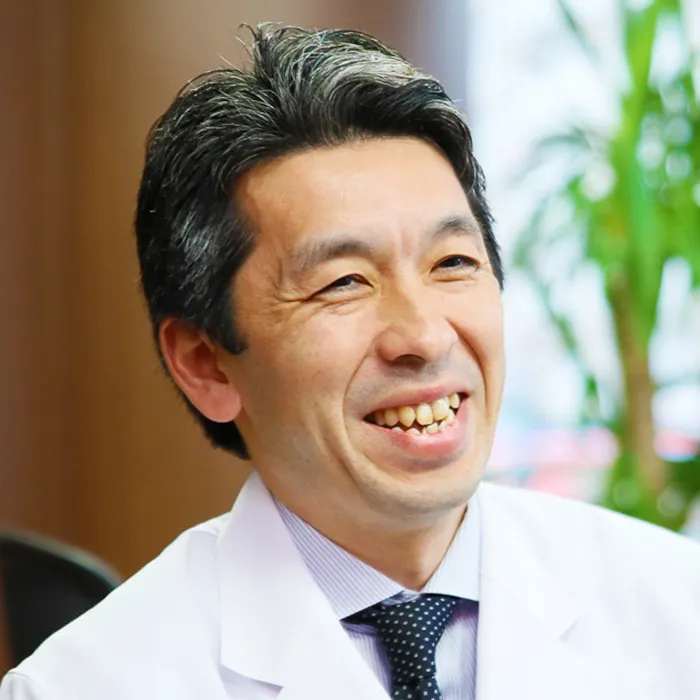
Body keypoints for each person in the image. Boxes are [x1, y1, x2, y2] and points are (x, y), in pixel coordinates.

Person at [2, 23, 699, 700]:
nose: (425, 336)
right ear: (206, 363)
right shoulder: (85, 685)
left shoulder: (675, 608)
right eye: (343, 282)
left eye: (453, 263)